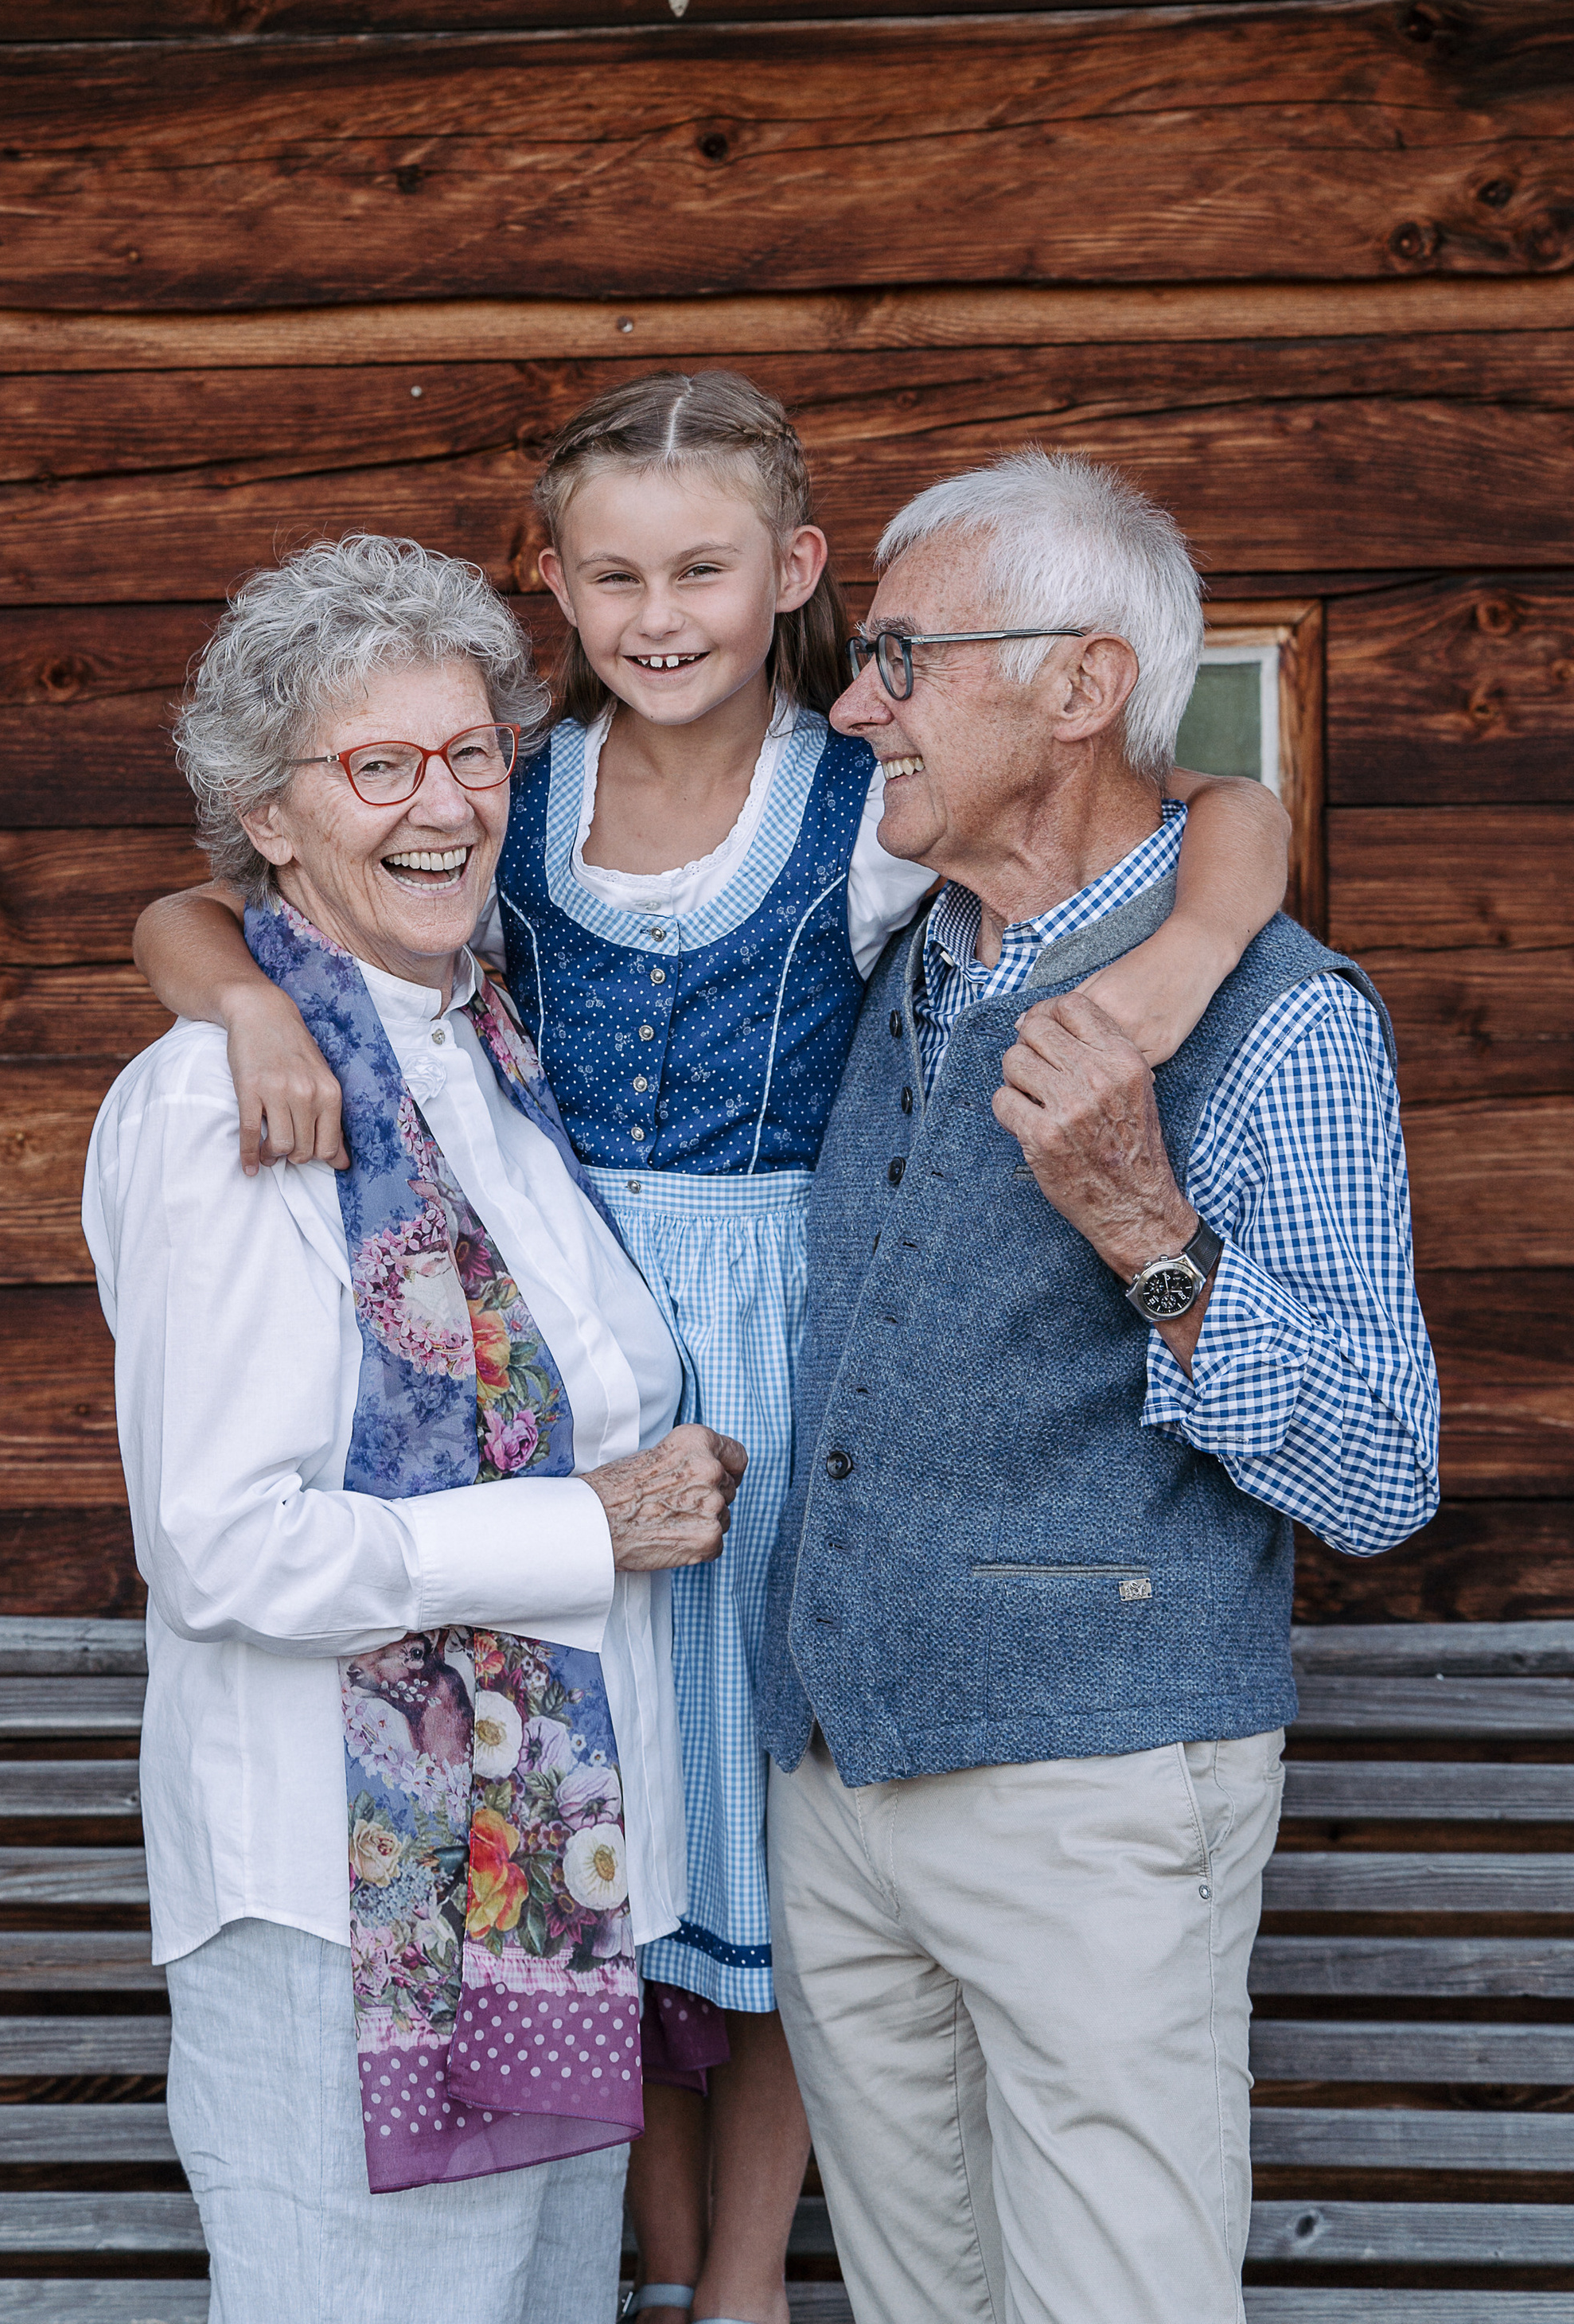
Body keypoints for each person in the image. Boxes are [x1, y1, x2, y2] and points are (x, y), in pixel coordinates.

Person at [132, 376, 1292, 2324]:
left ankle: (738, 2276)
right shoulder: (504, 794)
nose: (656, 612)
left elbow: (1229, 813)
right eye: (610, 573)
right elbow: (211, 900)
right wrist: (244, 1007)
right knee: (625, 1811)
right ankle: (658, 2266)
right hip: (551, 1296)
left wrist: (1173, 969)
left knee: (759, 1831)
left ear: (794, 576)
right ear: (555, 589)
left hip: (768, 1338)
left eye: (701, 567)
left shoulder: (867, 799)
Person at [758, 447, 1441, 2324]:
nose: (849, 701)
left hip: (1093, 1778)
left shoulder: (1280, 1018)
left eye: (898, 656)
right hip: (835, 1773)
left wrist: (1149, 1232)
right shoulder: (897, 942)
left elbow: (1381, 1473)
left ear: (1074, 687)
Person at [84, 532, 748, 2324]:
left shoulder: (482, 1055)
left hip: (538, 1885)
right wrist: (584, 1526)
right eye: (377, 766)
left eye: (471, 754)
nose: (440, 803)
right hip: (340, 1908)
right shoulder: (229, 1101)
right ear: (267, 819)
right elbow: (225, 1545)